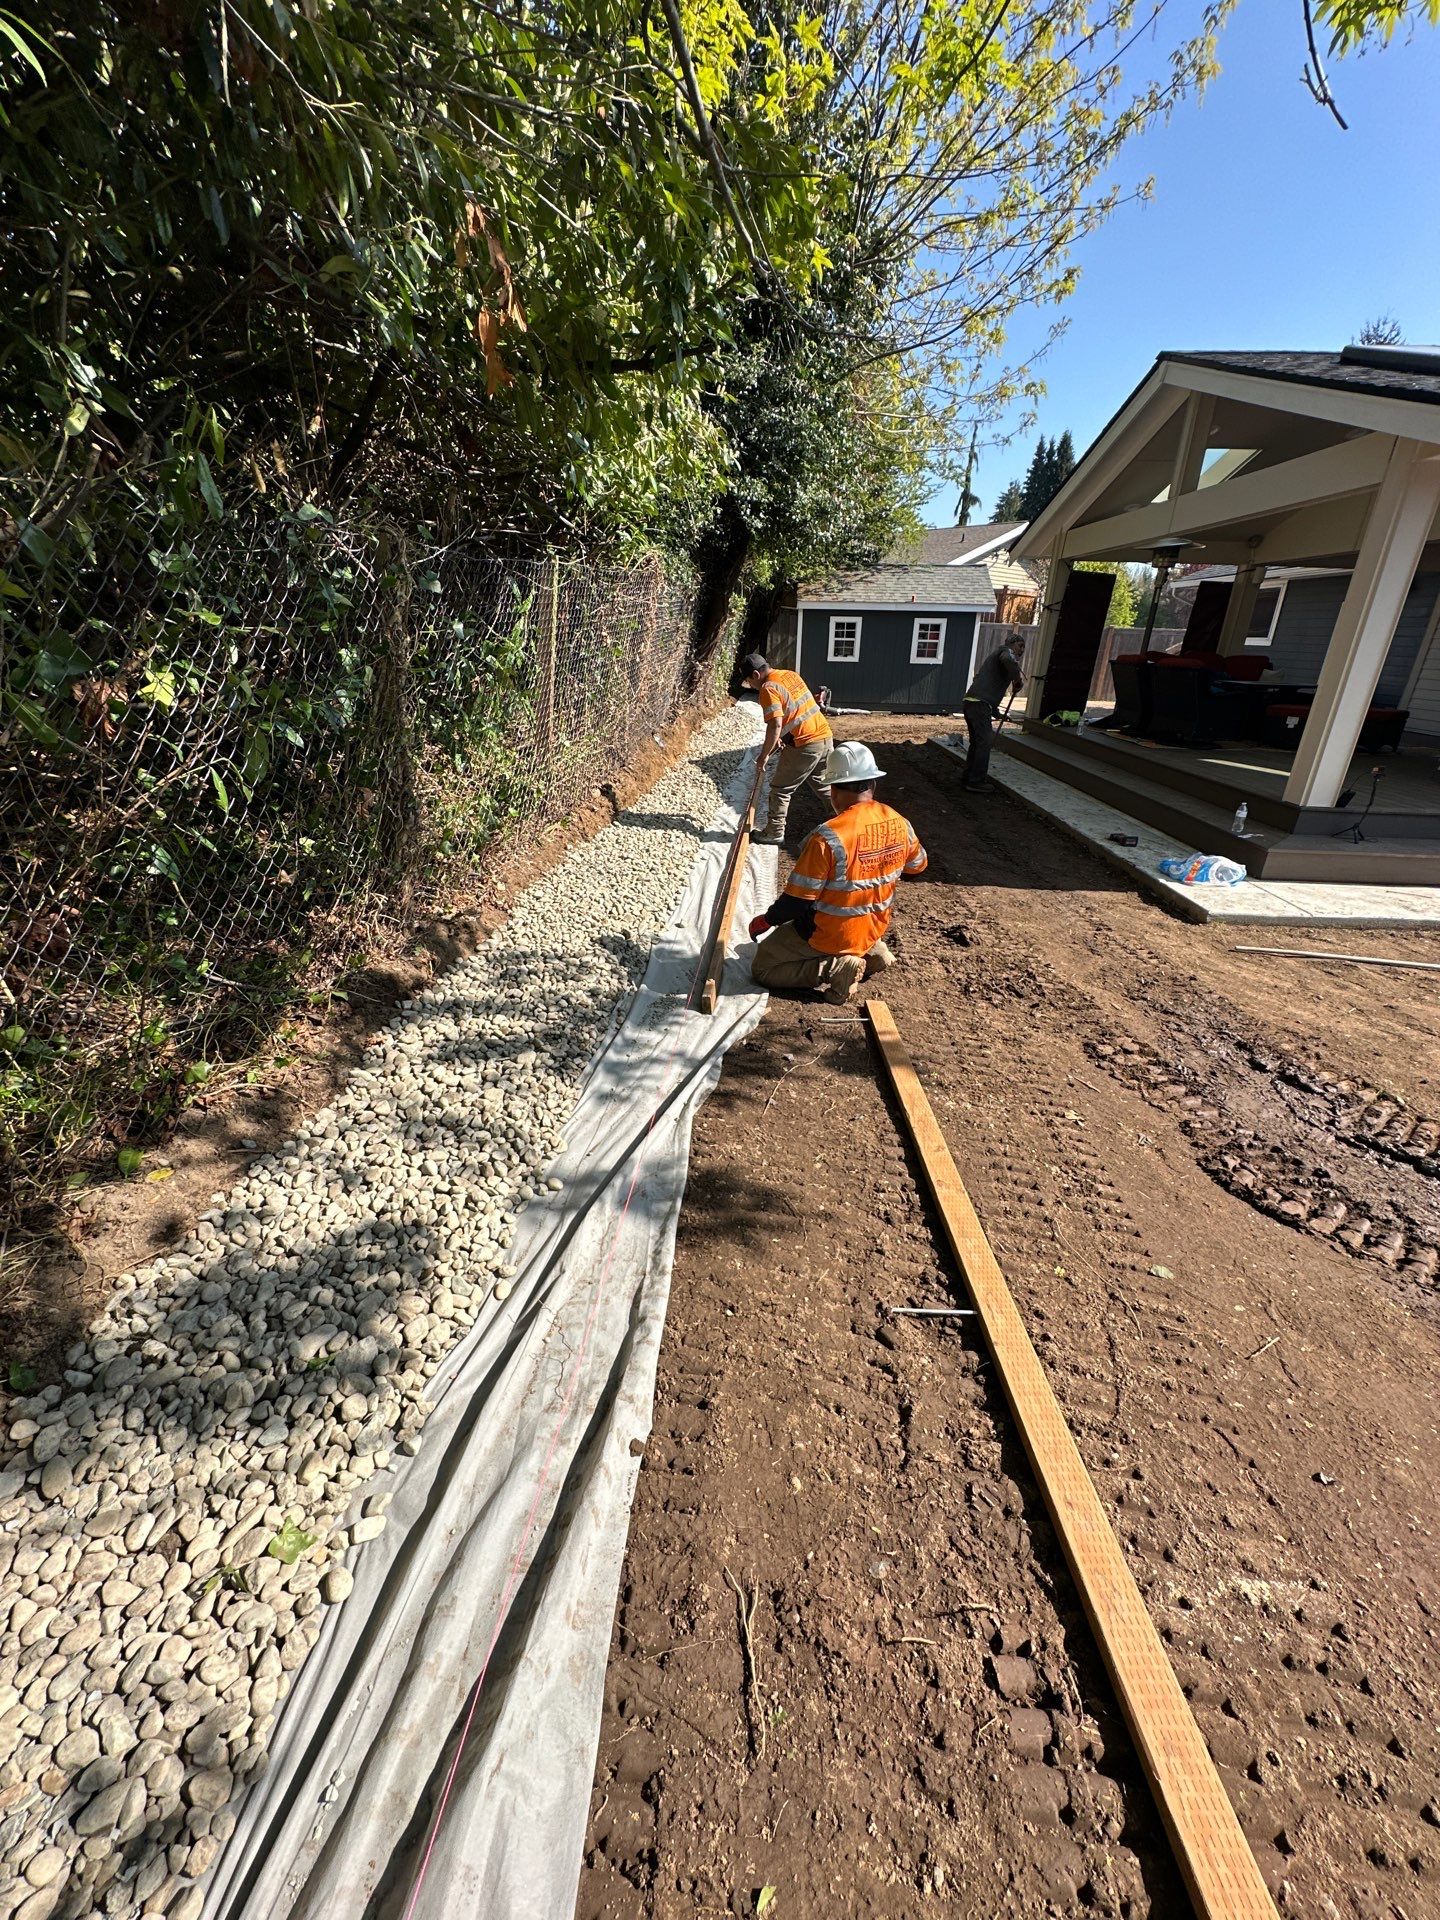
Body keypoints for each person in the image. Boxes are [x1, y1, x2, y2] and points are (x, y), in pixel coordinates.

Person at [748, 741, 927, 1005]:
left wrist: (767, 920)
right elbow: (917, 867)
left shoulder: (828, 837)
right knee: (856, 935)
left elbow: (798, 902)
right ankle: (875, 953)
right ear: (872, 784)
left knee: (763, 967)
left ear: (833, 791)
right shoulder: (900, 822)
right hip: (872, 926)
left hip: (829, 933)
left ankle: (834, 967)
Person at [738, 652, 833, 845]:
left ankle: (774, 833)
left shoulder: (768, 688)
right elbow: (797, 711)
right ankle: (843, 818)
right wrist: (783, 737)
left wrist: (763, 755)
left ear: (756, 675)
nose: (752, 686)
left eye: (749, 682)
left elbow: (775, 724)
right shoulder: (790, 674)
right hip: (824, 736)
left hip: (806, 744)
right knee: (823, 784)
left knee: (781, 789)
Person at [960, 632, 1025, 793]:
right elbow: (1008, 659)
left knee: (977, 743)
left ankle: (969, 777)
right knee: (984, 743)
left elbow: (988, 688)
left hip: (972, 703)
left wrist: (996, 712)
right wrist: (1017, 680)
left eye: (1024, 647)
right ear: (1012, 644)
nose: (1022, 650)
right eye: (1020, 646)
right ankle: (976, 781)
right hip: (979, 705)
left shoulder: (995, 659)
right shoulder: (1005, 652)